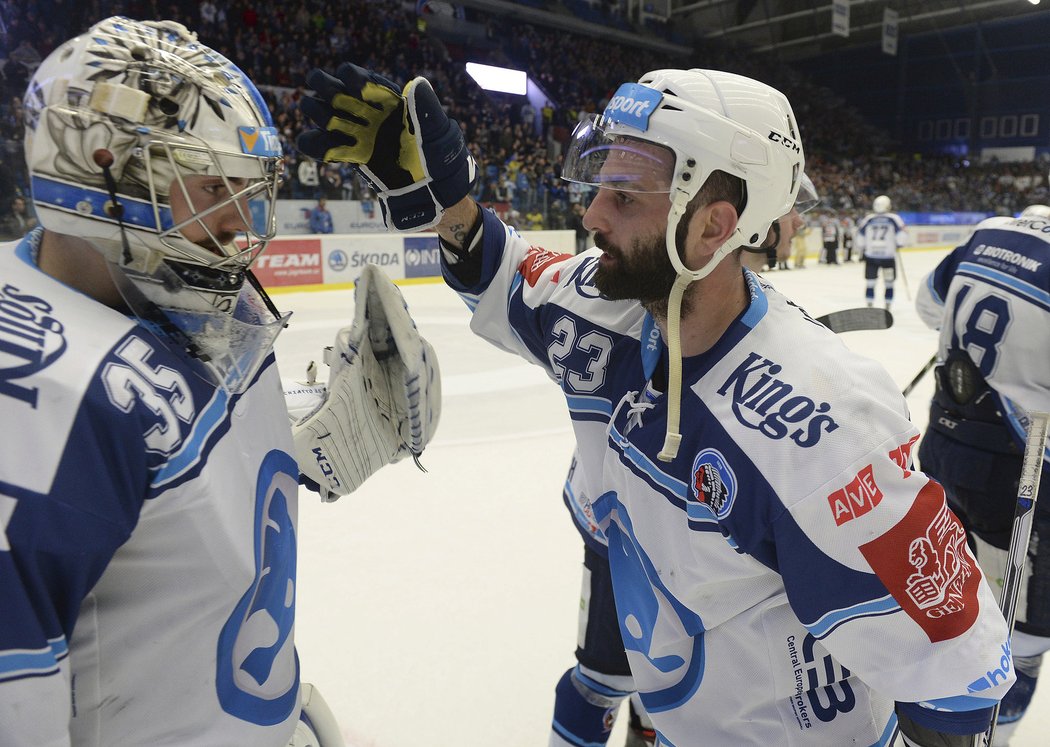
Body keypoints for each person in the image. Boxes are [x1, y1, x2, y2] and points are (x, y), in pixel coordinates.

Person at [298, 62, 1015, 746]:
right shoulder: (601, 305)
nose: (590, 213)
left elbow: (958, 661)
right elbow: (501, 268)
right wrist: (447, 201)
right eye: (600, 180)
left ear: (712, 226)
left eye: (626, 193)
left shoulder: (819, 426)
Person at [1, 18, 438, 746]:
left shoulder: (166, 280)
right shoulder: (33, 410)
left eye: (245, 188)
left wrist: (316, 442)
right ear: (99, 168)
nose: (239, 224)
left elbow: (167, 482)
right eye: (209, 184)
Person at [915, 202, 1050, 746]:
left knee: (939, 602)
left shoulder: (991, 230)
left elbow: (929, 305)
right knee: (1023, 639)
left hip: (943, 448)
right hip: (1023, 477)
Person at [857, 194, 908, 310]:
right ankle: (888, 304)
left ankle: (869, 304)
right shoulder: (894, 218)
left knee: (870, 282)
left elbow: (859, 236)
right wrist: (899, 244)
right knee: (889, 282)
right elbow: (902, 235)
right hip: (888, 258)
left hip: (871, 257)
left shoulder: (868, 219)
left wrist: (863, 247)